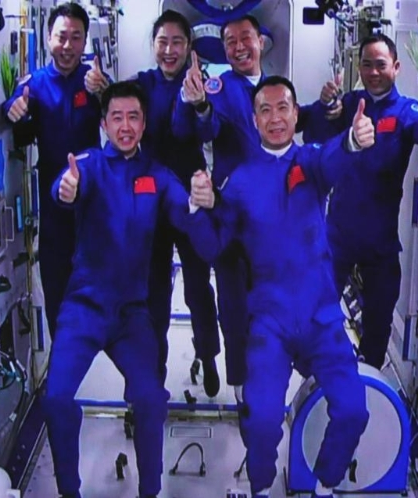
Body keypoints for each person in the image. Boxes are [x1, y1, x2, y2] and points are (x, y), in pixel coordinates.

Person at [188, 76, 374, 498]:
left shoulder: (310, 161)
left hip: (321, 317)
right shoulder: (239, 182)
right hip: (269, 321)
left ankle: (325, 484)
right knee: (261, 418)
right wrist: (198, 208)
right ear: (254, 120)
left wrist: (353, 141)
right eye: (265, 110)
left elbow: (333, 159)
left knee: (353, 409)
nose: (275, 118)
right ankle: (260, 488)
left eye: (283, 107)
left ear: (295, 114)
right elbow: (213, 245)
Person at [42, 81, 209, 498]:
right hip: (84, 308)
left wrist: (198, 201)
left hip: (131, 313)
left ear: (144, 123)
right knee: (57, 398)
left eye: (134, 117)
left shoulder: (156, 175)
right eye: (116, 117)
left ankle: (150, 490)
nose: (126, 126)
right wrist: (66, 190)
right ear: (104, 124)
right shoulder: (89, 165)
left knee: (151, 399)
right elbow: (65, 185)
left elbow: (183, 210)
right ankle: (68, 490)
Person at [297, 33, 418, 369]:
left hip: (380, 238)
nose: (373, 72)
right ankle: (315, 373)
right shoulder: (350, 103)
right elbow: (315, 133)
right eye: (366, 64)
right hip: (339, 231)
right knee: (317, 308)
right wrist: (326, 106)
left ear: (396, 67)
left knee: (379, 316)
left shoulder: (405, 110)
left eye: (380, 64)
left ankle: (369, 377)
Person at [172, 14, 271, 396]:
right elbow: (205, 127)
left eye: (246, 38)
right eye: (230, 41)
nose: (239, 47)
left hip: (269, 217)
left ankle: (266, 378)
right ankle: (241, 385)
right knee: (232, 306)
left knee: (268, 303)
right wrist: (198, 104)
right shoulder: (220, 87)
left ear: (261, 42)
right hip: (230, 213)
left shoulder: (276, 90)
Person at [2, 2, 110, 340]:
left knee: (97, 279)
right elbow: (14, 111)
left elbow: (122, 112)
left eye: (76, 38)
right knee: (55, 281)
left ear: (85, 42)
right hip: (53, 204)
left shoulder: (94, 81)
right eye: (62, 36)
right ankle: (62, 351)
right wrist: (13, 109)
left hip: (92, 199)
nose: (68, 46)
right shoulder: (35, 84)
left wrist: (104, 91)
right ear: (48, 38)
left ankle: (94, 341)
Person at [134, 10, 221, 395]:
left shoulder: (201, 83)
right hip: (153, 201)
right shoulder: (142, 85)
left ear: (189, 48)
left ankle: (208, 355)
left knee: (199, 286)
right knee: (154, 290)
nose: (169, 50)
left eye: (177, 42)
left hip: (191, 197)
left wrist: (198, 103)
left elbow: (209, 130)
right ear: (153, 46)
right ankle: (155, 369)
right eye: (163, 42)